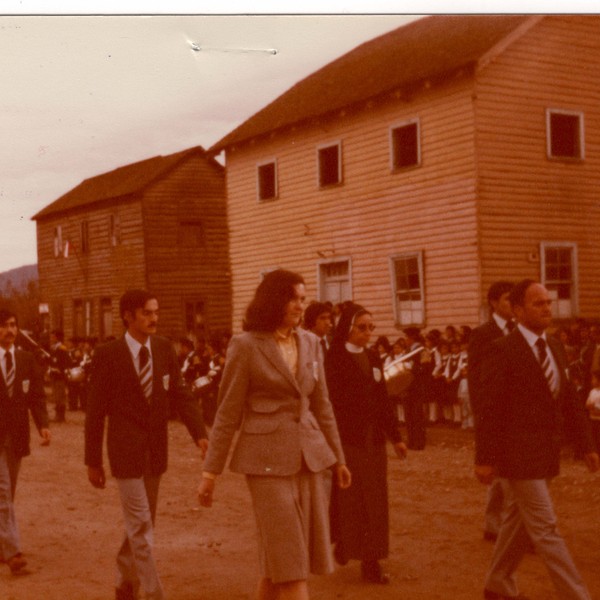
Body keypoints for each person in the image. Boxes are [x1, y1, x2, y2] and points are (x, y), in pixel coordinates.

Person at [198, 269, 351, 600]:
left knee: (278, 563)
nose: (300, 306)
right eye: (294, 298)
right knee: (291, 563)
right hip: (264, 462)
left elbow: (322, 405)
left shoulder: (311, 343)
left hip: (310, 460)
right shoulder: (246, 345)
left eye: (302, 299)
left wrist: (338, 459)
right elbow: (227, 412)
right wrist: (211, 472)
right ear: (274, 300)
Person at [474, 279, 599, 600]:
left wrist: (587, 445)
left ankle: (498, 582)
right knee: (545, 529)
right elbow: (489, 407)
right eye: (538, 303)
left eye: (548, 302)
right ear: (518, 311)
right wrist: (485, 458)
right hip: (517, 456)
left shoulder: (554, 346)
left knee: (518, 521)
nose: (547, 309)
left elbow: (569, 399)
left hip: (545, 454)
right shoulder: (502, 350)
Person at [85, 290, 209, 600]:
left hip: (155, 451)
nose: (154, 318)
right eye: (146, 313)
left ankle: (125, 581)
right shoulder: (107, 354)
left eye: (156, 311)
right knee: (140, 524)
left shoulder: (164, 348)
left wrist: (200, 433)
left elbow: (180, 393)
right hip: (124, 453)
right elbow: (95, 412)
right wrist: (93, 460)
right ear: (128, 315)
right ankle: (153, 593)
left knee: (143, 523)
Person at [324, 303, 407, 584]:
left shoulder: (373, 358)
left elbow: (383, 399)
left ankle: (371, 561)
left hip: (373, 442)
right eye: (362, 328)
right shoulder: (332, 360)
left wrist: (395, 437)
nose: (368, 333)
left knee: (375, 502)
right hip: (347, 441)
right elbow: (327, 406)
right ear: (347, 329)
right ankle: (345, 544)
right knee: (349, 500)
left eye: (371, 327)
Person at [0, 308, 51, 575]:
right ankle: (13, 553)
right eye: (5, 326)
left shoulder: (26, 359)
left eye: (13, 325)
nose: (10, 331)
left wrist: (42, 424)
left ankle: (2, 542)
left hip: (17, 437)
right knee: (3, 493)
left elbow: (37, 397)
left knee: (10, 492)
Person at [468, 280, 515, 543]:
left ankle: (502, 525)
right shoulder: (483, 334)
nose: (513, 305)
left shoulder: (521, 331)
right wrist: (481, 414)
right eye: (508, 299)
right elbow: (476, 379)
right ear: (494, 303)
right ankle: (495, 524)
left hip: (516, 413)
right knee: (499, 471)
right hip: (492, 411)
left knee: (512, 473)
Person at [48, 329, 70, 422]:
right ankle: (58, 414)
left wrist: (60, 369)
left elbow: (66, 361)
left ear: (57, 337)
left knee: (60, 396)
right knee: (56, 396)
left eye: (53, 336)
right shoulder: (54, 348)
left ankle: (61, 416)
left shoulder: (62, 348)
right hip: (54, 375)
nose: (51, 338)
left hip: (60, 375)